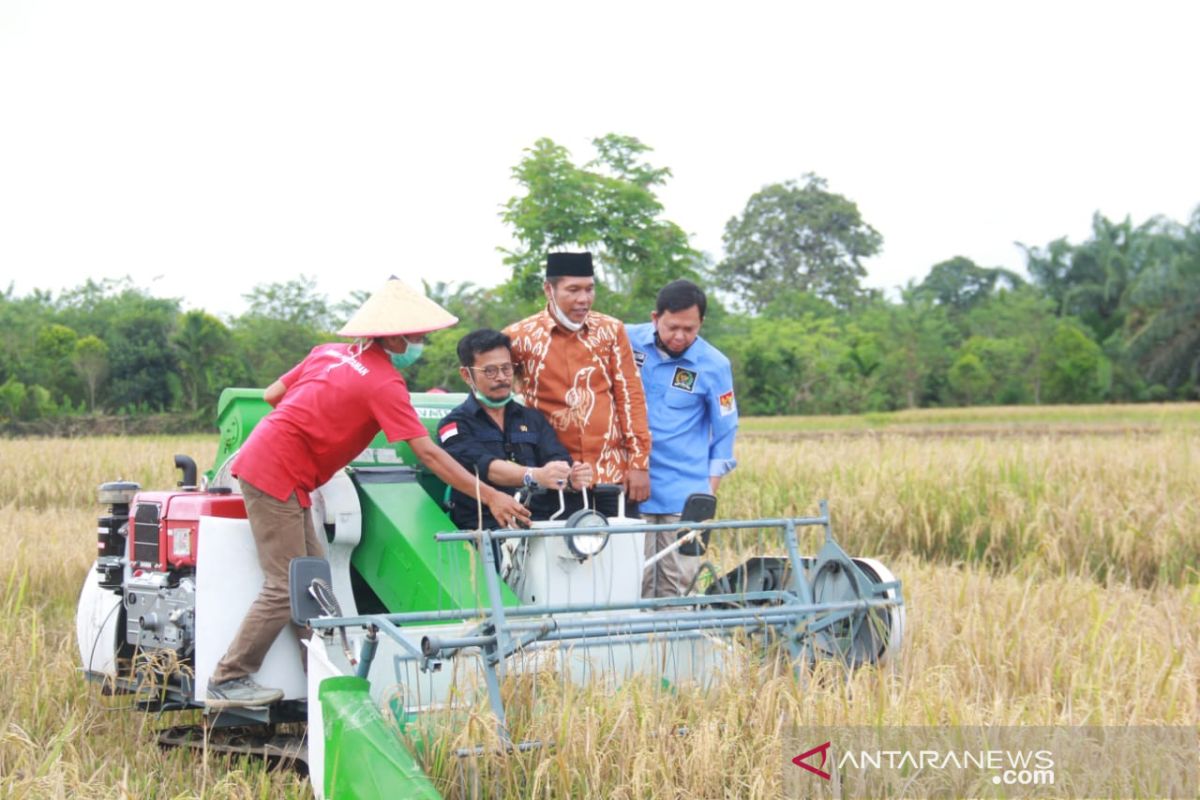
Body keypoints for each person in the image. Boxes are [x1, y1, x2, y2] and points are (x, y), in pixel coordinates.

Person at [206, 278, 530, 709]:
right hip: (274, 473)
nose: (421, 342)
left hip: (279, 465)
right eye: (417, 335)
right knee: (287, 584)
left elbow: (272, 395)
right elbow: (429, 456)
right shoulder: (383, 383)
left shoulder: (330, 352)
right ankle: (229, 678)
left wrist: (317, 429)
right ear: (394, 336)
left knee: (314, 577)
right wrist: (490, 496)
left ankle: (327, 674)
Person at [503, 252, 651, 519]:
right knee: (559, 558)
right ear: (549, 289)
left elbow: (630, 396)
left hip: (611, 474)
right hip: (554, 478)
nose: (583, 299)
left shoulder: (611, 330)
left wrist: (639, 464)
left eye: (589, 289)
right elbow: (498, 395)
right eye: (573, 290)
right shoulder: (519, 337)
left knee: (621, 558)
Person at [627, 279, 738, 598]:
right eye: (672, 327)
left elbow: (726, 428)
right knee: (634, 581)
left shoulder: (715, 366)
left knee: (679, 586)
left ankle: (674, 647)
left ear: (701, 323)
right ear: (654, 318)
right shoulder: (626, 340)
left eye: (689, 329)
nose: (680, 336)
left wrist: (707, 494)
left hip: (685, 494)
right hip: (633, 487)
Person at [437, 329, 594, 551]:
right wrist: (535, 475)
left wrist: (570, 478)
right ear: (466, 375)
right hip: (483, 536)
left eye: (506, 368)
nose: (501, 377)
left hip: (540, 531)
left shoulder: (532, 418)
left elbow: (557, 460)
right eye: (490, 371)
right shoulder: (453, 426)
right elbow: (485, 467)